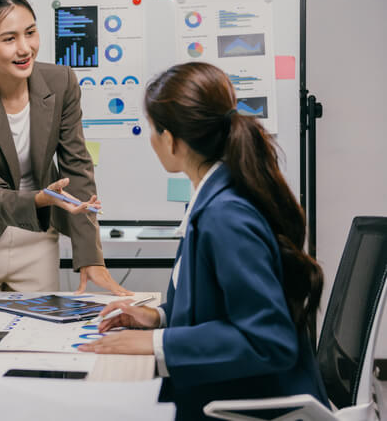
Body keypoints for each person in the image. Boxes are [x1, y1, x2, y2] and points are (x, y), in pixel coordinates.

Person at [79, 62, 328, 419]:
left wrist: (158, 343)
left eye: (152, 129)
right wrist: (158, 318)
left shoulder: (225, 216)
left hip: (248, 405)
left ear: (170, 140)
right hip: (231, 392)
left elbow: (268, 341)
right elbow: (219, 306)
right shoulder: (215, 197)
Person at [0, 0, 130, 295]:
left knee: (42, 333)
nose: (25, 48)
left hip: (38, 236)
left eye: (30, 33)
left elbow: (77, 169)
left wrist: (90, 257)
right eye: (9, 38)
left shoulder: (61, 82)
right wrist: (41, 198)